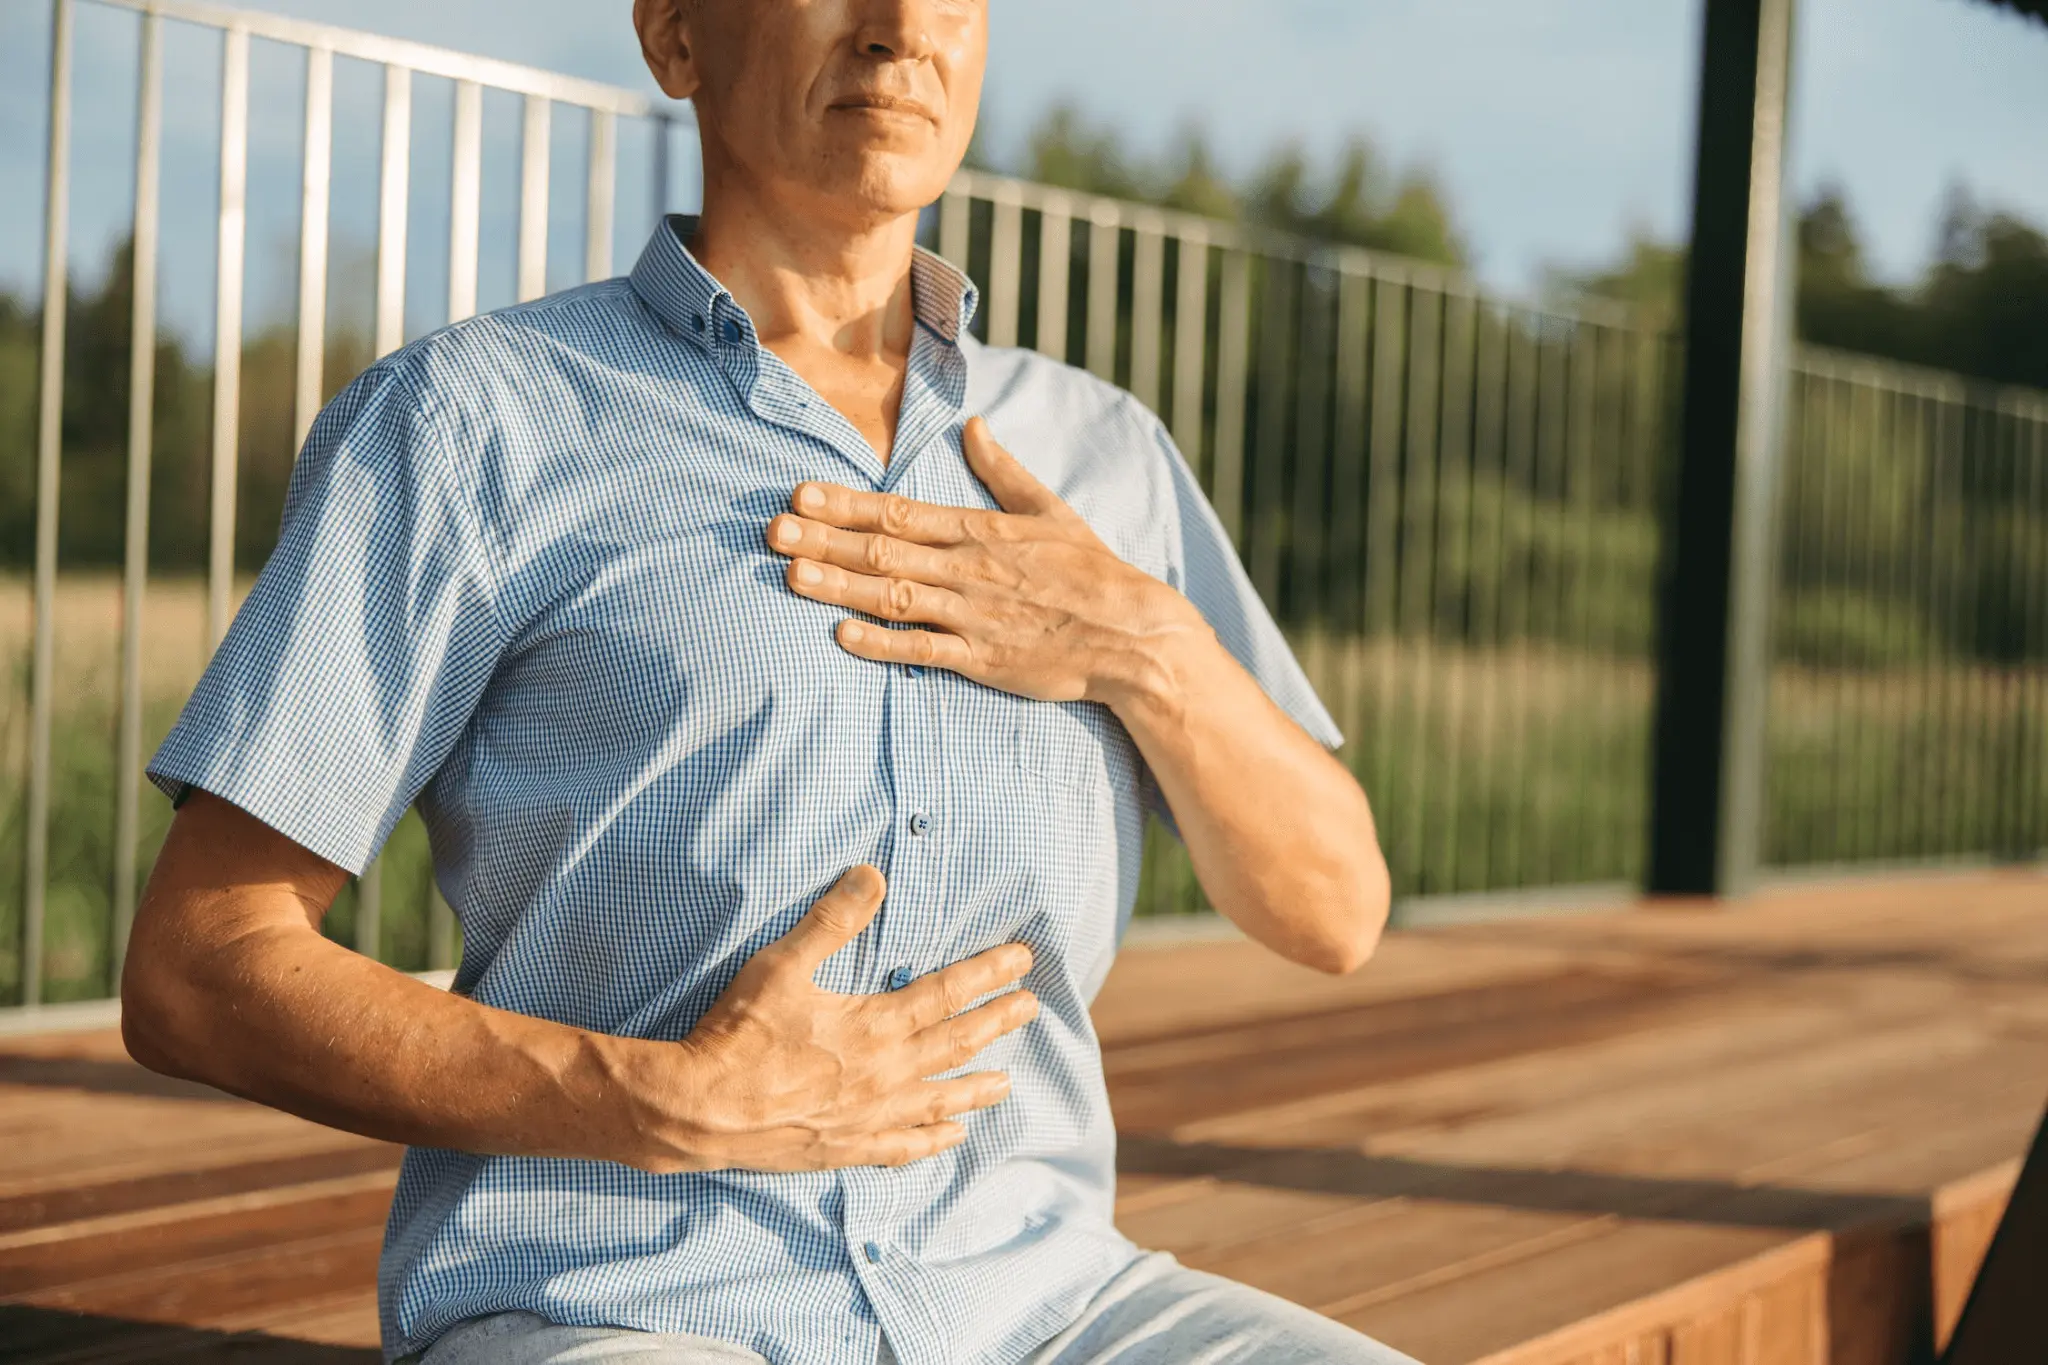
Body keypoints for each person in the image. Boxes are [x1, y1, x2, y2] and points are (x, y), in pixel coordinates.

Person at [120, 1, 1410, 1362]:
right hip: (620, 1312)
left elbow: (1335, 910)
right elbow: (199, 971)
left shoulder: (1103, 454)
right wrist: (658, 1097)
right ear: (676, 37)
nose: (902, 27)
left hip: (1050, 1309)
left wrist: (1145, 649)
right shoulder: (473, 421)